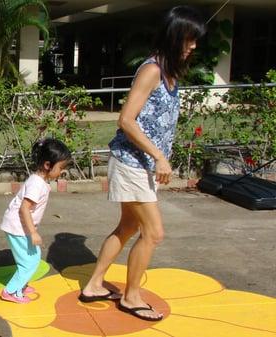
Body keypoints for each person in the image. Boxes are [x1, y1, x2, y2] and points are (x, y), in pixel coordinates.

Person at [78, 6, 206, 322]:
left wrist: (159, 156)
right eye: (188, 39)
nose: (192, 46)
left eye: (195, 41)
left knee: (129, 226)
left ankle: (94, 285)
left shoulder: (169, 71)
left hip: (141, 165)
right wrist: (160, 156)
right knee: (154, 232)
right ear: (173, 35)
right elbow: (126, 120)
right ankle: (131, 297)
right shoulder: (152, 70)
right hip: (131, 163)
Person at [0, 138, 70, 303]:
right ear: (47, 165)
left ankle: (21, 284)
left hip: (20, 226)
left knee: (33, 256)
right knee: (29, 262)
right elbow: (24, 208)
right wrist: (33, 233)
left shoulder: (39, 181)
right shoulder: (36, 185)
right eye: (60, 167)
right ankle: (11, 291)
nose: (62, 171)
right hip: (17, 227)